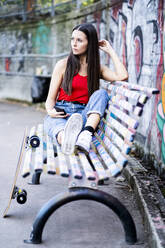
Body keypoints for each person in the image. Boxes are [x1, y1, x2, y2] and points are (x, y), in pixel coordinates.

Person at [44, 23, 128, 155]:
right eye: (72, 39)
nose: (74, 44)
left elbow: (122, 76)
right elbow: (50, 98)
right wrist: (50, 111)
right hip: (61, 113)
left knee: (101, 93)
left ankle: (85, 134)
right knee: (57, 127)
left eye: (79, 40)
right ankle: (66, 140)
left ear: (90, 43)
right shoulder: (62, 65)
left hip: (83, 116)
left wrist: (110, 50)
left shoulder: (97, 68)